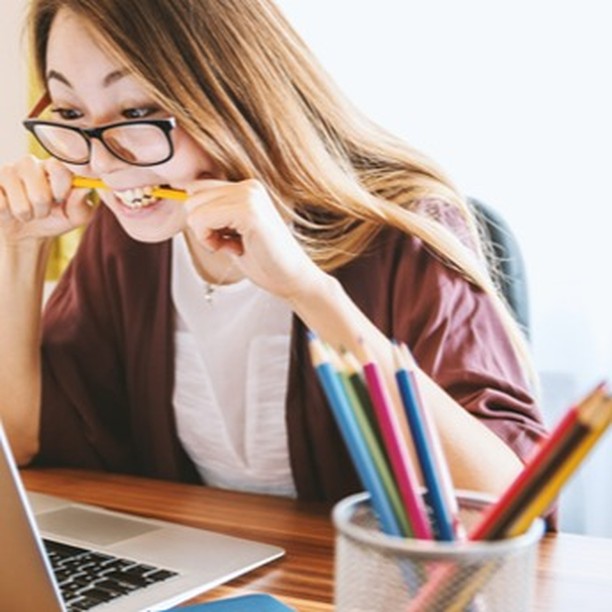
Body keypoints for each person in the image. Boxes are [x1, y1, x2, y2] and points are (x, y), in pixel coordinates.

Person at [0, 0, 548, 505]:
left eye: (138, 110)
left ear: (233, 91)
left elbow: (507, 505)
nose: (100, 163)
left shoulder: (403, 231)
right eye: (71, 113)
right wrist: (20, 250)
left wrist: (305, 291)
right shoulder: (129, 237)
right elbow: (22, 441)